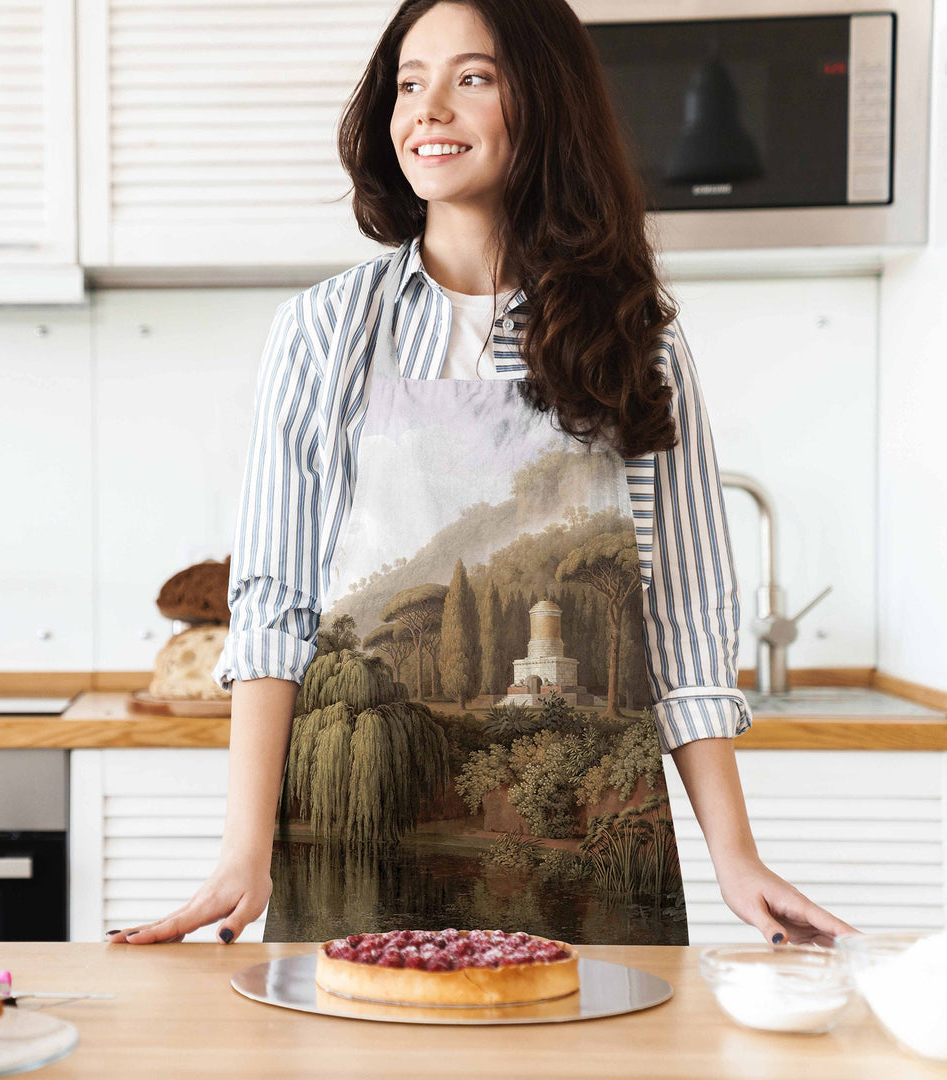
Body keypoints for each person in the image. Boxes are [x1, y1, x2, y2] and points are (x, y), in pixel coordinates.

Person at [109, 0, 857, 948]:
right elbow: (276, 604)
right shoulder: (325, 333)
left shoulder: (634, 337)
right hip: (358, 841)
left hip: (586, 848)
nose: (429, 109)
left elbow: (681, 614)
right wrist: (242, 849)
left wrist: (737, 858)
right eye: (408, 83)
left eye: (472, 78)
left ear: (540, 102)